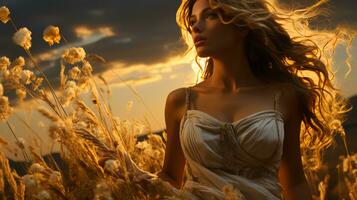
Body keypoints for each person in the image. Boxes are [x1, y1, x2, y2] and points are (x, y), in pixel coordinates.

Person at [156, 0, 352, 199]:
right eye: (193, 20)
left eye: (210, 16)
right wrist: (137, 181)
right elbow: (171, 177)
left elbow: (294, 184)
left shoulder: (283, 97)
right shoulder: (181, 101)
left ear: (241, 25)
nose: (196, 27)